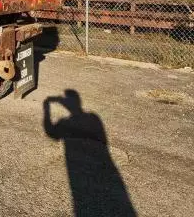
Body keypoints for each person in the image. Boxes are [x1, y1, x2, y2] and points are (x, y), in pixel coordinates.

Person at [43, 89, 136, 217]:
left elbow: (51, 133)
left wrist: (46, 108)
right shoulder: (93, 117)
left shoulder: (72, 120)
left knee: (82, 198)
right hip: (106, 174)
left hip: (77, 170)